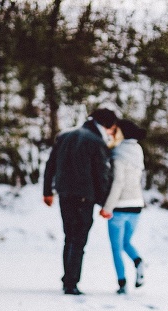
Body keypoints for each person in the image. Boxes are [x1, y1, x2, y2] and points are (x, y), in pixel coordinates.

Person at [43, 108, 118, 295]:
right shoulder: (96, 142)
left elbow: (50, 164)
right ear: (106, 125)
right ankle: (71, 282)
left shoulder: (65, 136)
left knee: (69, 236)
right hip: (85, 197)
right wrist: (105, 203)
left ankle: (67, 278)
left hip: (64, 193)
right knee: (79, 240)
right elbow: (101, 175)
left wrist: (47, 191)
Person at [99, 119, 147, 294]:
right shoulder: (138, 150)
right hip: (137, 204)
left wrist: (107, 207)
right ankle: (138, 261)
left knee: (116, 247)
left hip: (119, 206)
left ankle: (122, 283)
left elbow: (118, 182)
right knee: (127, 242)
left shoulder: (118, 152)